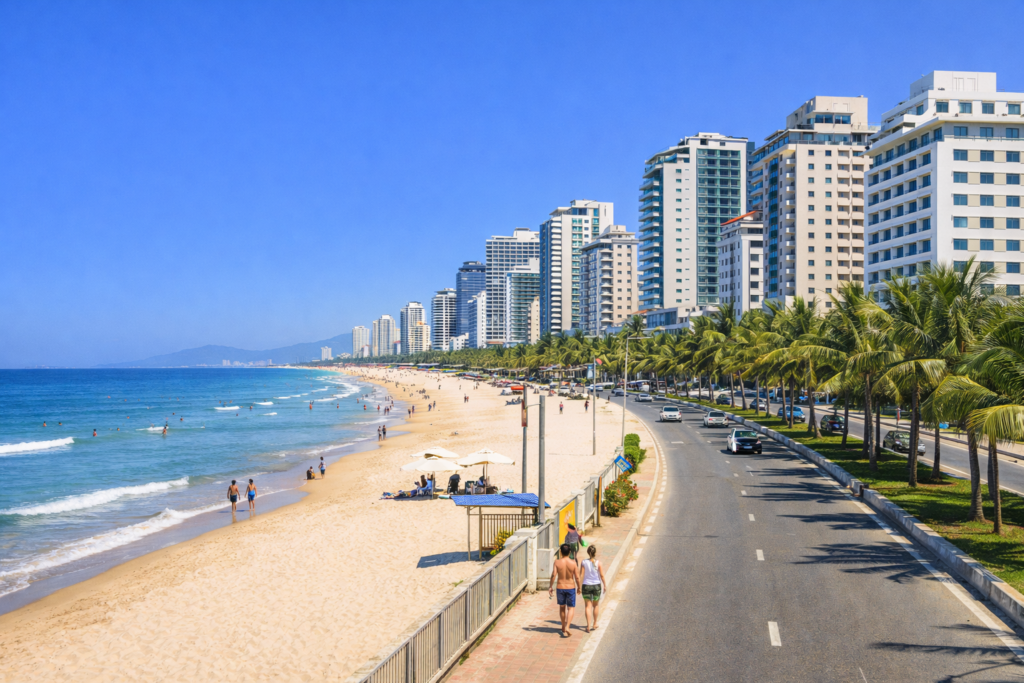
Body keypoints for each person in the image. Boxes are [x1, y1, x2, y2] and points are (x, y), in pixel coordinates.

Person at [548, 543, 581, 637]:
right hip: (570, 587)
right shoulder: (573, 563)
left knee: (562, 607)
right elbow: (577, 577)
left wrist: (551, 586)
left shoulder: (557, 562)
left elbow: (554, 574)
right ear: (570, 552)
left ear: (561, 552)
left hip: (560, 587)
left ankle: (563, 626)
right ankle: (568, 626)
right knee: (571, 608)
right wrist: (579, 587)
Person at [580, 545, 607, 633]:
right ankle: (594, 623)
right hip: (596, 586)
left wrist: (579, 587)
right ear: (595, 553)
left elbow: (581, 575)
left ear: (588, 552)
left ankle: (588, 626)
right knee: (595, 605)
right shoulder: (599, 563)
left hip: (586, 586)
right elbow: (602, 575)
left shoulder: (583, 562)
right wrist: (605, 585)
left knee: (588, 606)